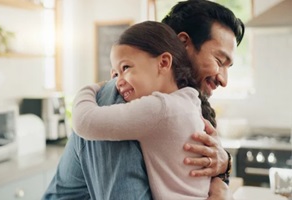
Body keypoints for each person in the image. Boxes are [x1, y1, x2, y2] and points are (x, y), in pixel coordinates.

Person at [43, 0, 244, 199]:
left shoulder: (186, 103)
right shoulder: (121, 97)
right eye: (219, 61)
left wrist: (223, 168)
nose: (224, 80)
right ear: (183, 44)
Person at [72, 20, 216, 199]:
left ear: (163, 62)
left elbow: (85, 122)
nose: (117, 83)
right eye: (115, 75)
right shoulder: (189, 100)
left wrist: (91, 89)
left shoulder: (160, 109)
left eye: (126, 67)